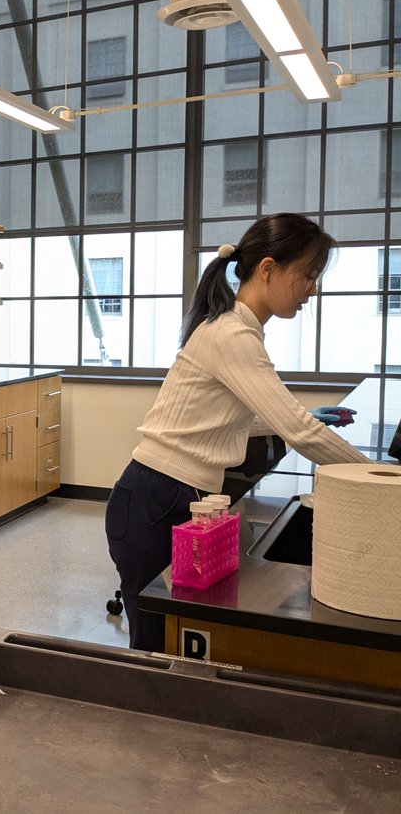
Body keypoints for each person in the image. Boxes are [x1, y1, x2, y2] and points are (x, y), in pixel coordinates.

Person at [106, 212, 371, 652]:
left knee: (171, 638)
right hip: (157, 499)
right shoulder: (233, 333)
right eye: (307, 276)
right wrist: (379, 477)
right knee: (154, 645)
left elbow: (228, 414)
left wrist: (306, 417)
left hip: (163, 496)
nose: (312, 289)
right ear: (268, 269)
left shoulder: (236, 327)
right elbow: (298, 432)